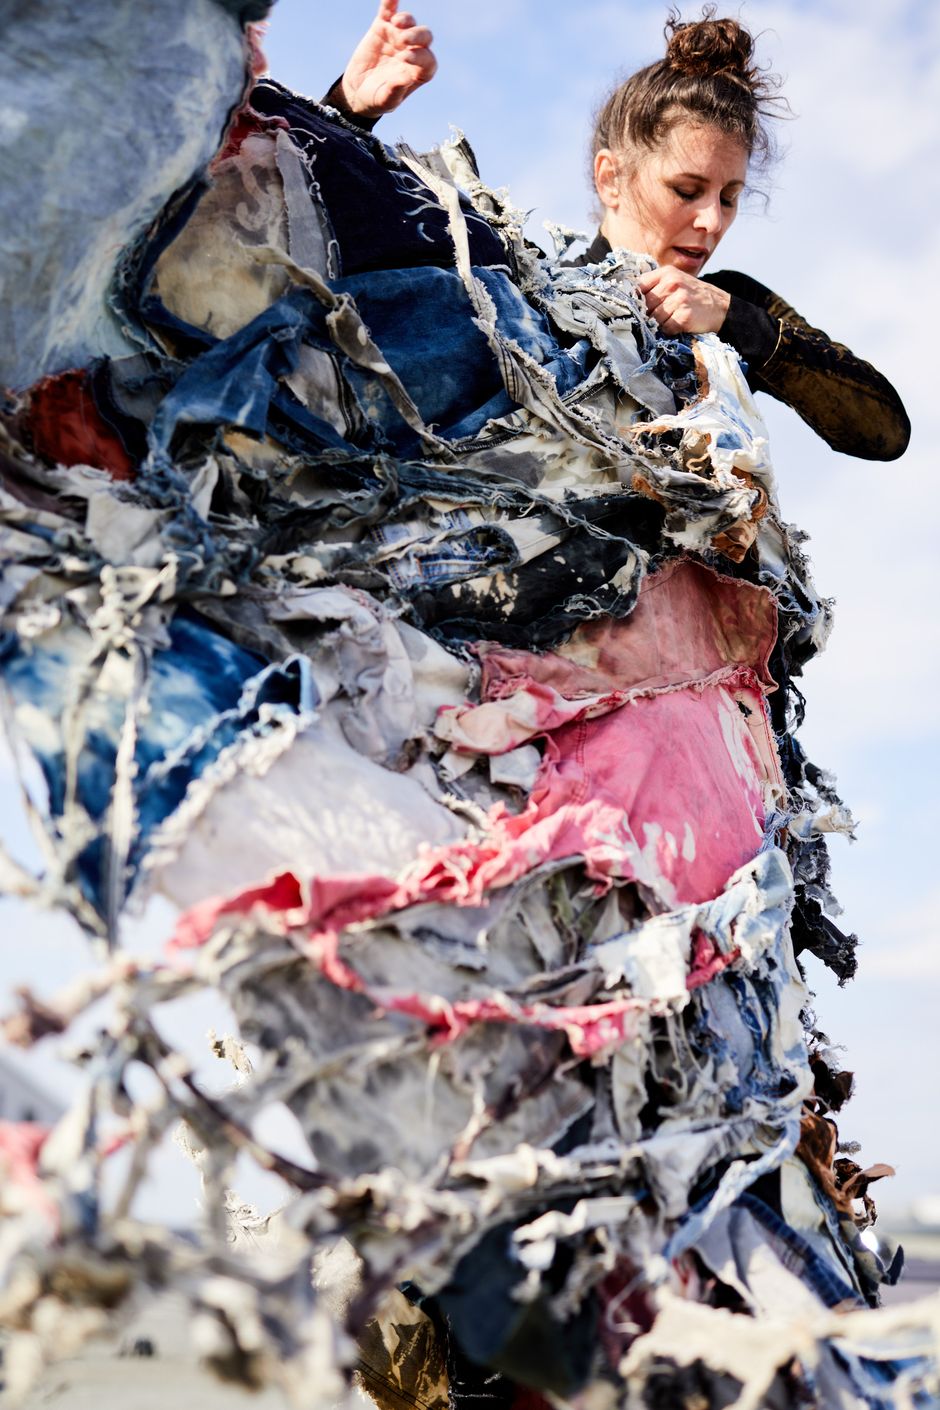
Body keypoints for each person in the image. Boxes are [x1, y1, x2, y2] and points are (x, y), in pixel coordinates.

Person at [329, 2, 910, 461]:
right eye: (687, 191)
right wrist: (349, 112)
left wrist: (738, 321)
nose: (711, 221)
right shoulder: (518, 276)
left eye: (729, 198)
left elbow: (883, 432)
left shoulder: (730, 310)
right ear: (611, 178)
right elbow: (350, 283)